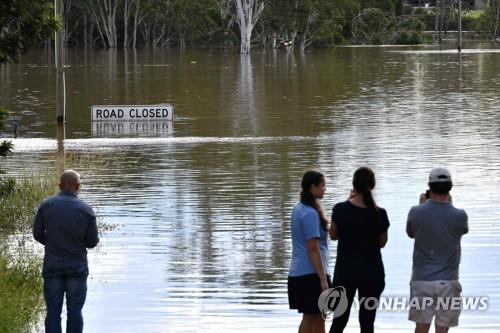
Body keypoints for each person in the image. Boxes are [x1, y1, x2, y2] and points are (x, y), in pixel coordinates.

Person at [33, 170, 99, 333]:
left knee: (53, 312)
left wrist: (51, 243)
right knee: (75, 312)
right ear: (78, 186)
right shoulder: (86, 210)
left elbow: (37, 234)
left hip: (53, 266)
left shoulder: (46, 206)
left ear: (60, 186)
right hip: (77, 267)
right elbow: (92, 242)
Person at [407, 168, 468, 333]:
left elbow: (411, 233)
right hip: (449, 281)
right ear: (450, 187)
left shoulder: (416, 212)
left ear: (429, 186)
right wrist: (450, 204)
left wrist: (422, 206)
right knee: (442, 330)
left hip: (422, 280)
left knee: (421, 328)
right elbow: (460, 230)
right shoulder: (460, 215)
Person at [329, 167, 389, 333]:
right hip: (372, 272)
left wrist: (347, 201)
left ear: (354, 185)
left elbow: (333, 235)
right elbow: (382, 243)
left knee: (339, 321)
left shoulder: (340, 209)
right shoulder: (380, 214)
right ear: (372, 186)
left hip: (345, 272)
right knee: (367, 323)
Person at [288, 170, 331, 333]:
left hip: (301, 271)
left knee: (319, 316)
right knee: (311, 316)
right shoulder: (310, 213)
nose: (325, 189)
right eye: (322, 186)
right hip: (311, 273)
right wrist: (323, 280)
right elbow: (313, 248)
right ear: (313, 187)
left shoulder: (298, 208)